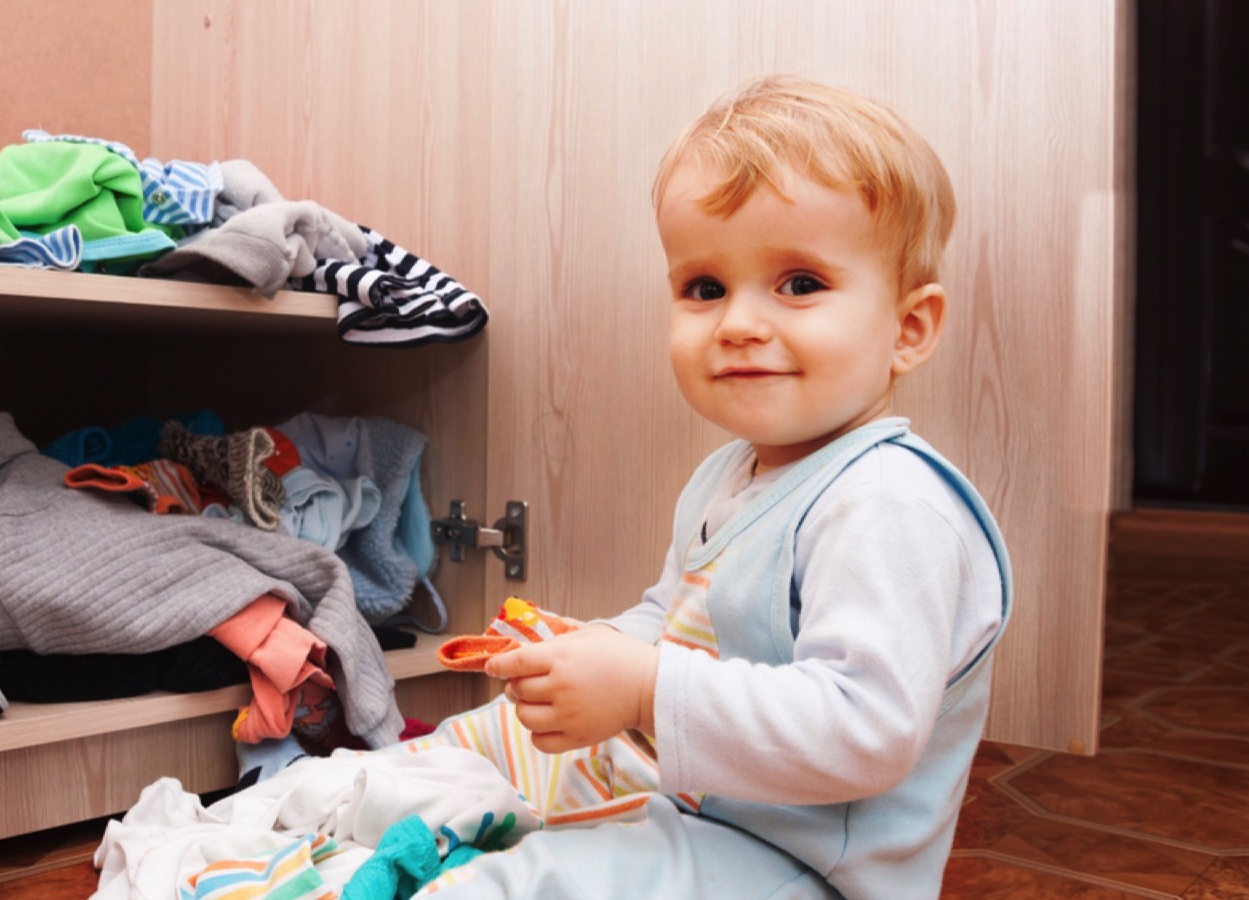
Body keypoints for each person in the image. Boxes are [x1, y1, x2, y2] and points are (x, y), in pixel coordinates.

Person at [408, 74, 1012, 900]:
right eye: (705, 288)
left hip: (801, 863)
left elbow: (866, 730)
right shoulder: (728, 473)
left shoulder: (888, 505)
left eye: (800, 283)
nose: (737, 323)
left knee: (517, 886)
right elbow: (675, 619)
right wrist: (595, 649)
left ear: (909, 328)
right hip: (707, 810)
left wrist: (642, 688)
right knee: (460, 752)